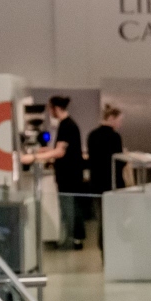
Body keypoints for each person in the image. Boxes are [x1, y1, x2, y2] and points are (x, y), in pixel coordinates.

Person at [40, 96, 88, 249]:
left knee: (69, 207)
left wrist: (35, 157)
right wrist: (47, 151)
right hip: (70, 174)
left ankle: (72, 238)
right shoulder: (67, 124)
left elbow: (60, 152)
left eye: (50, 109)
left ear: (56, 108)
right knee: (71, 206)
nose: (49, 112)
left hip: (68, 175)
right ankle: (73, 238)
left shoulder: (67, 126)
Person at [87, 106, 125, 198]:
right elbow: (119, 161)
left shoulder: (92, 135)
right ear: (111, 118)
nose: (120, 124)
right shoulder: (115, 137)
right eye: (119, 120)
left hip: (96, 182)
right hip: (112, 183)